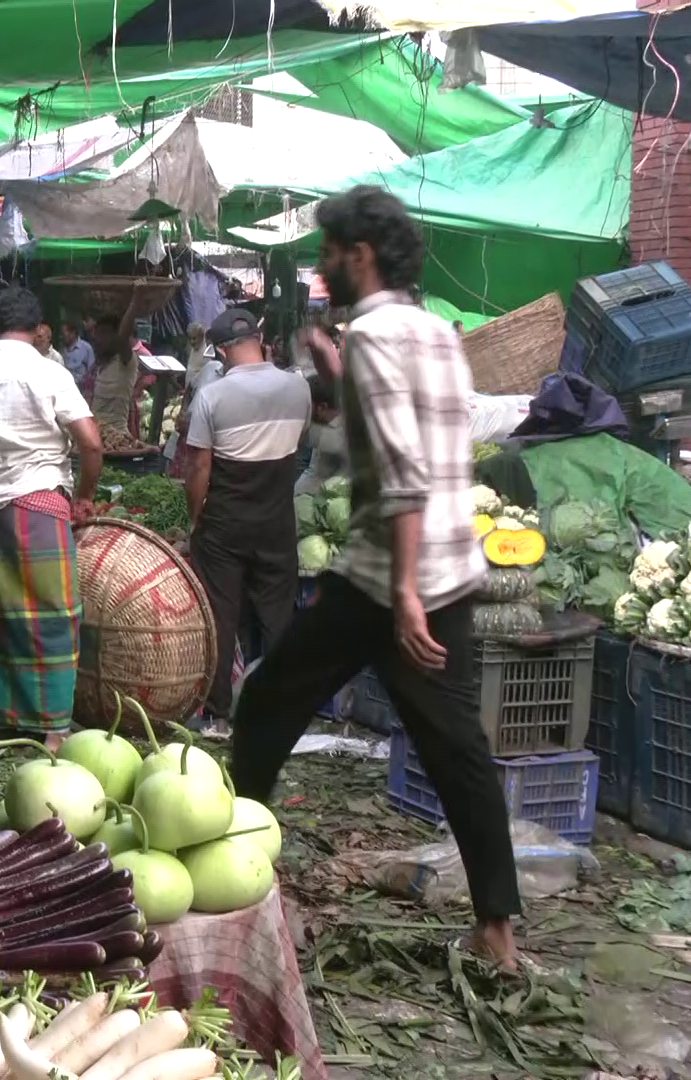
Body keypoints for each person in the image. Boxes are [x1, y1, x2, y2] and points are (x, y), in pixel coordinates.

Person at [228, 185, 520, 970]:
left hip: (388, 580)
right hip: (450, 566)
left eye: (327, 253)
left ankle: (230, 867)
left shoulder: (375, 338)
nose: (321, 268)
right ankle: (497, 930)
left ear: (359, 255)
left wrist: (404, 600)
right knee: (457, 744)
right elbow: (439, 441)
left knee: (265, 700)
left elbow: (400, 474)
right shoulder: (432, 331)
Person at [0, 285, 102, 736]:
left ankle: (10, 722)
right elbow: (91, 442)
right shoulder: (49, 373)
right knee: (53, 616)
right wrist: (84, 497)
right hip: (39, 503)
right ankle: (53, 730)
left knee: (2, 617)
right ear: (38, 330)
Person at [183, 308, 312, 730]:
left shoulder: (212, 397)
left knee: (220, 613)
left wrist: (194, 519)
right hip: (277, 513)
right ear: (260, 338)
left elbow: (199, 467)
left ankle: (218, 714)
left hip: (226, 519)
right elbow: (298, 441)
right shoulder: (298, 388)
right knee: (277, 615)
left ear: (220, 351)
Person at [89, 305, 147, 452]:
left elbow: (123, 337)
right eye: (97, 334)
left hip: (116, 438)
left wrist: (135, 302)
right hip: (96, 435)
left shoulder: (126, 362)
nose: (98, 339)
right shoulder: (101, 366)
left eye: (104, 334)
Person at [295, 371, 347, 497]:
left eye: (307, 404)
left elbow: (309, 435)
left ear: (322, 407)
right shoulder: (323, 424)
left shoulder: (344, 431)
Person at [59, 318, 96, 398]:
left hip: (82, 392)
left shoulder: (86, 348)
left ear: (73, 333)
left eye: (64, 334)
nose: (62, 337)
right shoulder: (62, 351)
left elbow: (92, 373)